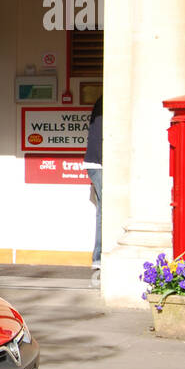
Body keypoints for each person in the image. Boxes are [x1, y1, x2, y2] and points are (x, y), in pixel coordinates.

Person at [84, 97, 103, 269]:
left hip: (95, 163)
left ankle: (99, 256)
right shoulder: (107, 102)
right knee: (105, 210)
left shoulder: (100, 102)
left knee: (102, 210)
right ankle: (99, 257)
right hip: (99, 163)